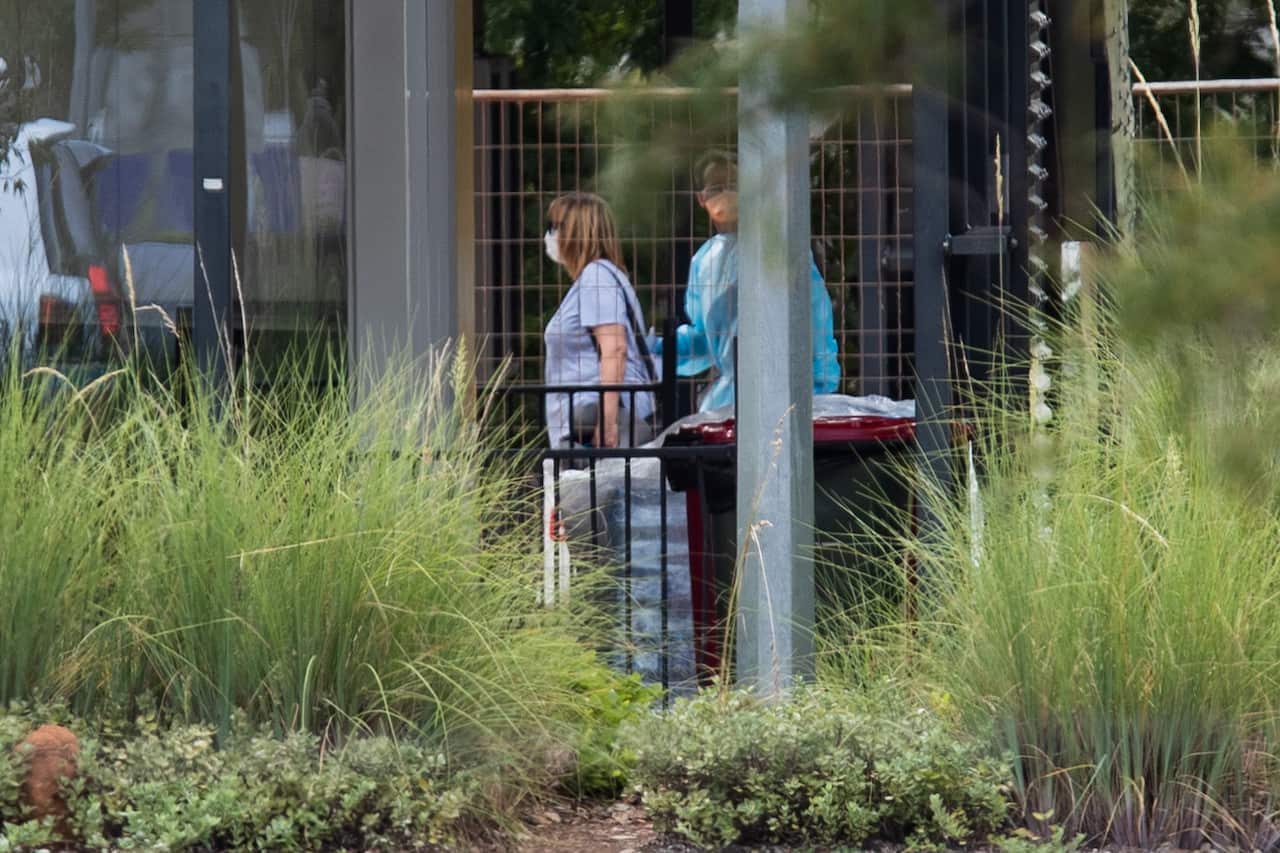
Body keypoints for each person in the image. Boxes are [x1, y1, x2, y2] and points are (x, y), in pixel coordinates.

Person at [665, 151, 840, 412]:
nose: (725, 194)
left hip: (784, 393)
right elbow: (703, 341)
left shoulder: (778, 247)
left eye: (734, 185)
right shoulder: (703, 262)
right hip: (729, 402)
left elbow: (815, 317)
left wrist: (819, 389)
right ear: (701, 199)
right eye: (715, 187)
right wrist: (658, 350)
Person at [543, 192, 658, 449]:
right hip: (588, 419)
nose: (550, 236)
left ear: (574, 232)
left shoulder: (597, 278)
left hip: (593, 423)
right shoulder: (602, 277)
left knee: (595, 489)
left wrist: (608, 423)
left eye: (555, 227)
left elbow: (614, 348)